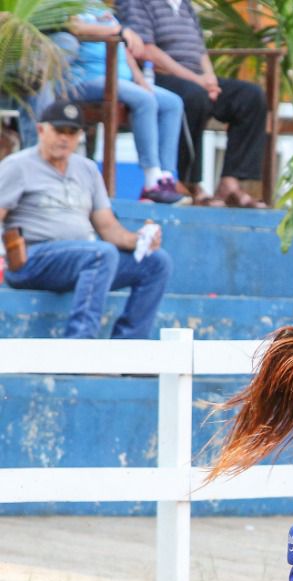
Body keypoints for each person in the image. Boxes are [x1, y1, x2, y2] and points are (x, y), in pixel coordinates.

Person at [0, 101, 170, 339]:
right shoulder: (18, 166)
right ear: (41, 130)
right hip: (32, 259)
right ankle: (80, 344)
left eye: (72, 133)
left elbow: (108, 227)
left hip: (83, 259)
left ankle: (128, 348)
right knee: (101, 254)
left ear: (80, 135)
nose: (65, 139)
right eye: (59, 131)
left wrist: (139, 240)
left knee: (156, 262)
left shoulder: (87, 169)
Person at [122, 0, 268, 207]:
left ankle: (230, 183)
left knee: (250, 97)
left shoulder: (185, 5)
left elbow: (201, 51)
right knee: (193, 97)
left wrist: (210, 80)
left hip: (197, 80)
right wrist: (196, 80)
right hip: (157, 77)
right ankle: (188, 182)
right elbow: (146, 50)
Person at [67, 3, 186, 204]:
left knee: (172, 102)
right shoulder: (68, 6)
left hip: (122, 79)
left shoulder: (103, 10)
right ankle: (151, 178)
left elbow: (124, 48)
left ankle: (166, 176)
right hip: (88, 79)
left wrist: (139, 78)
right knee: (144, 99)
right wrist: (117, 30)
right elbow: (75, 28)